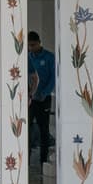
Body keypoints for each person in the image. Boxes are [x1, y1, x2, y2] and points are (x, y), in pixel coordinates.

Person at [27, 31, 57, 165]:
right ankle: (25, 161)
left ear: (39, 42)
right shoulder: (27, 57)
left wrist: (45, 93)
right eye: (29, 45)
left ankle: (43, 161)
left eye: (33, 45)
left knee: (44, 129)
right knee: (26, 129)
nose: (31, 48)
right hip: (30, 99)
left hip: (44, 98)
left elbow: (53, 78)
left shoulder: (50, 57)